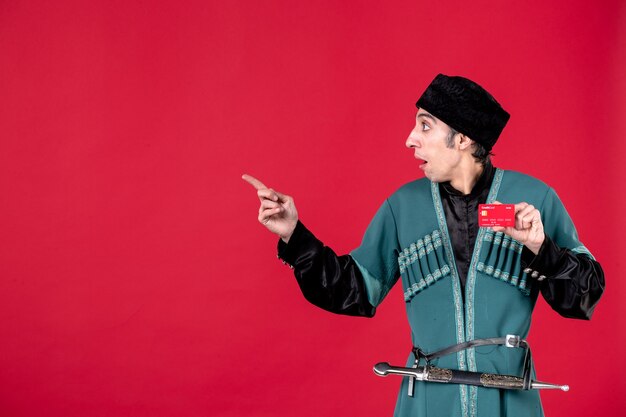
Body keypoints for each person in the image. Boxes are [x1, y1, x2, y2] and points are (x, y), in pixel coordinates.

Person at [242, 74, 604, 417]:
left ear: (462, 139)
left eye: (425, 125)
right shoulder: (403, 206)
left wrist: (543, 248)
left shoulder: (533, 198)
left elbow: (584, 296)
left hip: (511, 397)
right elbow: (352, 290)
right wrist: (294, 234)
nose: (410, 138)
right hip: (429, 399)